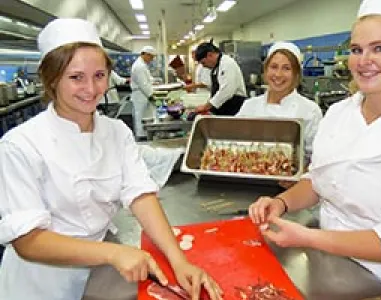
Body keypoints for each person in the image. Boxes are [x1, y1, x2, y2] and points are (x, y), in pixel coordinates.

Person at [0, 18, 223, 300]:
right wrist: (113, 252)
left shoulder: (116, 132)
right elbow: (28, 241)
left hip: (100, 267)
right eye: (76, 77)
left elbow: (141, 195)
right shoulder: (20, 144)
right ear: (52, 79)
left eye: (99, 75)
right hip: (41, 283)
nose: (91, 89)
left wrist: (178, 260)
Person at [248, 0, 381, 299]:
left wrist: (309, 237)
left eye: (380, 48)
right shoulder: (340, 113)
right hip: (333, 266)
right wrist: (281, 203)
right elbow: (318, 180)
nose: (363, 60)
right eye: (357, 49)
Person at [236, 41, 322, 169]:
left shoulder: (310, 111)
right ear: (265, 70)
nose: (278, 74)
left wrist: (299, 176)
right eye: (274, 67)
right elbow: (234, 144)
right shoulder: (249, 106)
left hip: (293, 185)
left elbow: (318, 158)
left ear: (296, 74)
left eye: (286, 68)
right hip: (251, 179)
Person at [194, 41, 247, 115]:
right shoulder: (217, 66)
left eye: (203, 62)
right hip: (223, 109)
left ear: (210, 55)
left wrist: (207, 106)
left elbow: (227, 90)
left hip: (234, 108)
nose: (203, 66)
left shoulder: (227, 63)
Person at [130, 45, 156, 140]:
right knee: (140, 115)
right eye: (151, 57)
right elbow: (143, 84)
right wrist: (151, 96)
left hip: (142, 94)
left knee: (143, 115)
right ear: (146, 55)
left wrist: (154, 81)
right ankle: (141, 137)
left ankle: (144, 134)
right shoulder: (139, 66)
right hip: (140, 95)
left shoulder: (142, 65)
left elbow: (147, 78)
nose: (151, 60)